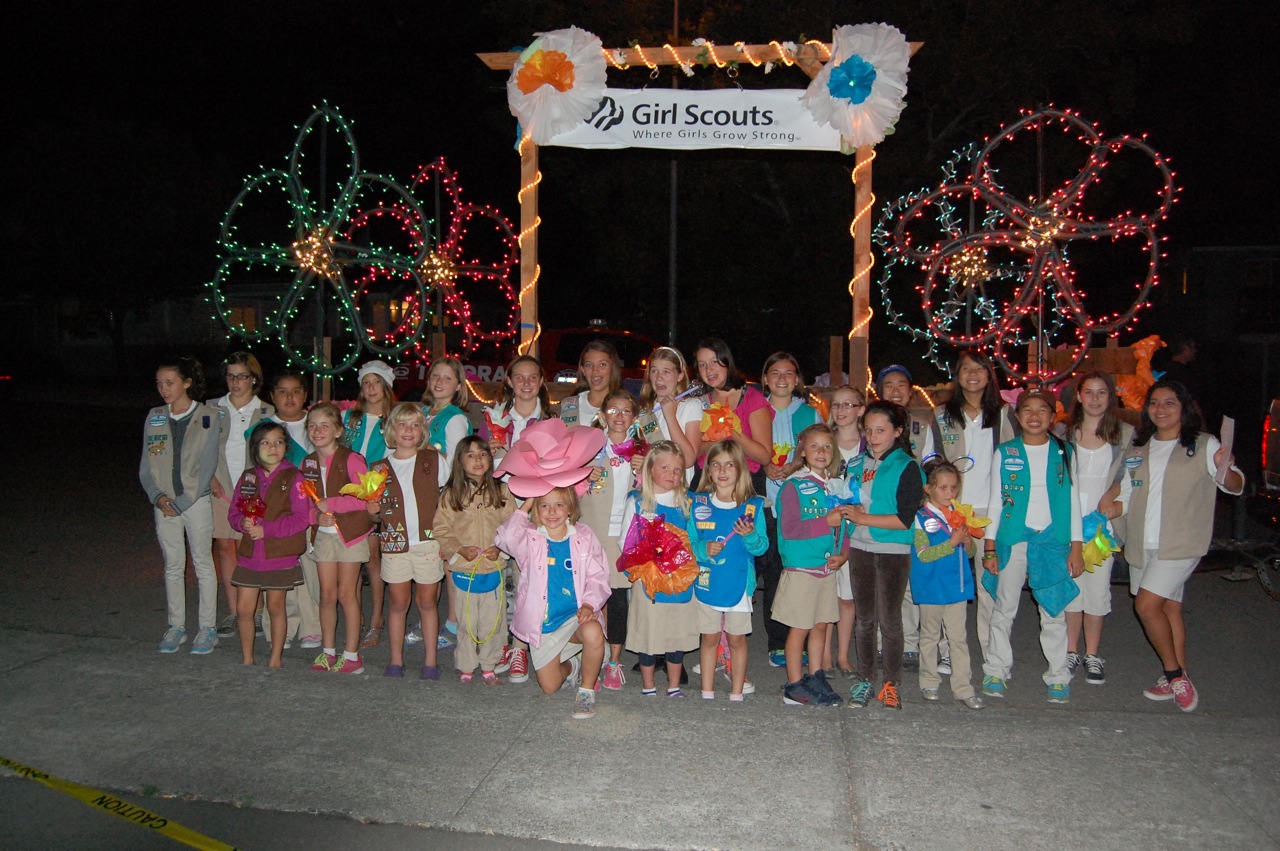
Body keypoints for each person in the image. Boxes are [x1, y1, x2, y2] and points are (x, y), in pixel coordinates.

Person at [1102, 379, 1243, 712]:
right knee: (1169, 608)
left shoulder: (1203, 444)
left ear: (1184, 408)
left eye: (1169, 402)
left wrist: (1226, 466)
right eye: (1154, 403)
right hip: (1142, 542)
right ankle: (1181, 676)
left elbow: (1234, 485)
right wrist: (1109, 508)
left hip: (1181, 542)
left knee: (1146, 606)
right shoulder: (1139, 449)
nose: (1160, 409)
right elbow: (1127, 494)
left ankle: (1174, 674)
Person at [980, 389, 1083, 704]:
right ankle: (996, 670)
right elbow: (995, 502)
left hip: (1053, 540)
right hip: (1014, 538)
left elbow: (1073, 501)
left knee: (1053, 610)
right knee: (1004, 608)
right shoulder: (1005, 452)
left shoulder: (1065, 451)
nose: (1034, 416)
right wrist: (989, 548)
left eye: (1042, 410)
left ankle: (1058, 676)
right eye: (1027, 409)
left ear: (1052, 416)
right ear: (1017, 415)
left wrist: (1076, 546)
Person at [930, 351, 1018, 671]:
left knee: (990, 585)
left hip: (991, 512)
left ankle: (993, 652)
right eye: (965, 368)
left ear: (989, 375)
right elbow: (930, 458)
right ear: (957, 375)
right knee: (949, 581)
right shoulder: (942, 414)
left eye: (979, 368)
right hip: (952, 510)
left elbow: (1016, 460)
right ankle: (947, 649)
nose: (972, 374)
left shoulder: (1004, 414)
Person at [495, 487, 610, 719]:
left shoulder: (584, 535)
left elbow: (598, 576)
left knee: (593, 631)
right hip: (545, 624)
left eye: (559, 505)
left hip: (575, 617)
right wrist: (528, 502)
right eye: (544, 505)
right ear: (536, 510)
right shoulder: (530, 537)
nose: (552, 512)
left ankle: (586, 691)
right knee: (550, 687)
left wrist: (589, 604)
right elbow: (504, 538)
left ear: (571, 509)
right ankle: (574, 665)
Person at [840, 401, 925, 710]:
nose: (873, 437)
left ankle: (891, 683)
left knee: (889, 620)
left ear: (897, 431)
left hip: (893, 551)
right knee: (864, 619)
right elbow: (845, 501)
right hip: (859, 548)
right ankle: (865, 679)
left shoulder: (907, 466)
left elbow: (904, 519)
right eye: (869, 431)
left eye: (881, 431)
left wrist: (864, 518)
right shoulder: (854, 464)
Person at [475, 354, 553, 682]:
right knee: (495, 578)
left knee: (526, 581)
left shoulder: (550, 420)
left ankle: (520, 648)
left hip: (532, 508)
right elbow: (473, 466)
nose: (525, 383)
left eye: (532, 377)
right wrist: (488, 453)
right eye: (519, 377)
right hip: (496, 505)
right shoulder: (493, 418)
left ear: (541, 381)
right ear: (508, 381)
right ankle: (497, 646)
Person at [140, 357, 220, 655]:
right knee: (173, 564)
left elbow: (207, 465)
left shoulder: (208, 416)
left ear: (186, 383)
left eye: (170, 383)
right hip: (164, 503)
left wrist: (183, 501)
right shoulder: (155, 416)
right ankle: (176, 626)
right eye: (159, 383)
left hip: (194, 502)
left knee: (202, 563)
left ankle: (207, 628)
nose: (164, 389)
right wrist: (158, 497)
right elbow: (147, 466)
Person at [1064, 371, 1133, 685]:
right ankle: (1070, 651)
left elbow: (1128, 477)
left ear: (1110, 396)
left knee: (1097, 590)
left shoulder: (1126, 434)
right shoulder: (1062, 433)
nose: (1094, 398)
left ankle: (1092, 654)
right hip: (1069, 524)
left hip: (1102, 527)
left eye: (1101, 392)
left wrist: (1112, 495)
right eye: (1088, 392)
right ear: (1079, 396)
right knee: (1071, 588)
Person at [367, 403, 443, 680]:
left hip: (427, 543)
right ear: (391, 430)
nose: (408, 430)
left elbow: (449, 496)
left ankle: (431, 662)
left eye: (414, 425)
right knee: (399, 603)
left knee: (427, 602)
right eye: (402, 424)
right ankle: (396, 660)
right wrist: (372, 512)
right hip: (394, 545)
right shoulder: (378, 469)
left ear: (423, 431)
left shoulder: (434, 460)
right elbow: (375, 517)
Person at [688, 440, 768, 701]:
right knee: (709, 638)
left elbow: (761, 548)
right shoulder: (698, 504)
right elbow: (689, 542)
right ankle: (707, 692)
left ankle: (736, 692)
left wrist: (750, 535)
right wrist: (703, 549)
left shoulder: (753, 506)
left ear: (740, 469)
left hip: (739, 585)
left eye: (729, 465)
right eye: (716, 465)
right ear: (708, 470)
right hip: (707, 583)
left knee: (736, 640)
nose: (722, 471)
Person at [434, 436, 516, 684]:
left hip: (493, 567)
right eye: (470, 455)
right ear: (460, 461)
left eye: (483, 454)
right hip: (464, 568)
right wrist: (459, 549)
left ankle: (489, 664)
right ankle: (466, 665)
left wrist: (500, 548)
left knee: (493, 621)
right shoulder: (451, 494)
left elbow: (513, 526)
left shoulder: (502, 491)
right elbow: (441, 529)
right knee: (466, 621)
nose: (478, 459)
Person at [774, 424, 846, 707]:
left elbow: (846, 526)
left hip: (826, 567)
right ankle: (793, 684)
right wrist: (825, 522)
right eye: (814, 446)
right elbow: (790, 529)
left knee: (821, 625)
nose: (821, 452)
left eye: (827, 446)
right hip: (802, 568)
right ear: (802, 451)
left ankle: (816, 676)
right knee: (800, 628)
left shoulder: (836, 486)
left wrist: (844, 553)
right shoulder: (793, 486)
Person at [227, 421, 309, 667]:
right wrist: (242, 523)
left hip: (279, 555)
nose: (273, 448)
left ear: (286, 446)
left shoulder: (294, 477)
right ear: (255, 447)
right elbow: (233, 514)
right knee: (244, 609)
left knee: (275, 607)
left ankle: (275, 658)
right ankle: (247, 657)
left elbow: (302, 518)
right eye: (265, 442)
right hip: (250, 556)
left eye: (279, 442)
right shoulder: (248, 477)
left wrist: (267, 530)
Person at [619, 441, 698, 697]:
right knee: (648, 633)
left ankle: (673, 685)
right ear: (650, 468)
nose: (672, 474)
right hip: (648, 580)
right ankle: (648, 685)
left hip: (679, 579)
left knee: (676, 633)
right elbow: (625, 542)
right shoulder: (638, 502)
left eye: (677, 470)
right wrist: (647, 560)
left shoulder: (687, 502)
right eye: (665, 468)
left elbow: (694, 540)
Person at [578, 390, 645, 691]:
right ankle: (590, 656)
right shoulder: (589, 448)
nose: (619, 416)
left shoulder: (642, 451)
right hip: (592, 533)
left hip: (624, 536)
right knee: (589, 598)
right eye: (613, 410)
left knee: (618, 600)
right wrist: (583, 478)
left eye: (626, 410)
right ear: (603, 415)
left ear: (634, 417)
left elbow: (653, 493)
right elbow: (568, 490)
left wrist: (644, 473)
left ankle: (614, 661)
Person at [303, 402, 376, 674]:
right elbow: (304, 503)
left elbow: (367, 497)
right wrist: (315, 517)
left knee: (347, 593)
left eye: (325, 425)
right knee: (326, 594)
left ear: (337, 431)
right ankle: (328, 651)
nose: (317, 430)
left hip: (351, 535)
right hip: (324, 536)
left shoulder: (352, 458)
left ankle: (352, 654)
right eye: (312, 425)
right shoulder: (308, 463)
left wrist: (332, 503)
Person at [759, 352, 820, 670]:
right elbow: (745, 449)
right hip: (766, 506)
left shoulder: (810, 413)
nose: (781, 378)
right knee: (773, 576)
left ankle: (802, 641)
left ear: (797, 379)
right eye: (775, 372)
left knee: (800, 576)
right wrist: (765, 465)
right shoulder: (757, 409)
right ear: (765, 378)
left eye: (788, 373)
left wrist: (795, 464)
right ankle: (777, 642)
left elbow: (821, 451)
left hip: (802, 508)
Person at [876, 364, 938, 675]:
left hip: (914, 510)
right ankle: (880, 643)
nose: (895, 390)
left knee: (910, 579)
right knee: (881, 579)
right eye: (889, 385)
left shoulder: (922, 426)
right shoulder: (872, 425)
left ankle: (910, 642)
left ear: (911, 391)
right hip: (880, 510)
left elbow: (932, 464)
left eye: (902, 384)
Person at [210, 352, 274, 639]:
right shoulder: (211, 409)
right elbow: (201, 449)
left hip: (252, 489)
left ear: (254, 379)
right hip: (220, 487)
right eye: (231, 376)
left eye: (242, 376)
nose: (236, 382)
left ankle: (256, 611)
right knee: (226, 548)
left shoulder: (267, 411)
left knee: (249, 548)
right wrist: (210, 478)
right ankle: (235, 611)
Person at [911, 459, 983, 709]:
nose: (949, 493)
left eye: (953, 488)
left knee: (958, 638)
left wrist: (967, 542)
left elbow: (970, 553)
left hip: (956, 586)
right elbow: (923, 554)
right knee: (929, 636)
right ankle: (929, 681)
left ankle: (963, 687)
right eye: (943, 488)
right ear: (928, 488)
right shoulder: (920, 518)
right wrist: (951, 543)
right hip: (931, 586)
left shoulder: (960, 515)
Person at [258, 372, 321, 650]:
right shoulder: (263, 430)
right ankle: (281, 627)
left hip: (308, 509)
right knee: (278, 569)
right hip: (275, 513)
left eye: (296, 391)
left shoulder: (315, 424)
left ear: (305, 395)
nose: (290, 397)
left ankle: (311, 626)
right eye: (282, 392)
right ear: (272, 396)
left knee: (309, 570)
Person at [421, 357, 475, 650]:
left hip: (443, 494)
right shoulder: (422, 412)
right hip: (420, 493)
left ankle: (454, 621)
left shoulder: (455, 418)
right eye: (435, 376)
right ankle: (431, 618)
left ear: (457, 386)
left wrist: (424, 444)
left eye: (447, 378)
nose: (439, 382)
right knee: (430, 559)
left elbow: (457, 462)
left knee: (449, 557)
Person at [344, 360, 395, 650]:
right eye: (366, 382)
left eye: (377, 382)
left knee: (373, 559)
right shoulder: (350, 418)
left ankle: (376, 618)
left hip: (377, 493)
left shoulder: (393, 419)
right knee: (351, 558)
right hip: (349, 494)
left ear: (386, 386)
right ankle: (357, 616)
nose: (371, 388)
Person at [692, 339, 773, 486]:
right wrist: (717, 434)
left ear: (727, 362)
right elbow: (693, 452)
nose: (708, 370)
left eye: (714, 362)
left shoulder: (752, 399)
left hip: (745, 480)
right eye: (702, 365)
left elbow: (764, 457)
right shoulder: (698, 402)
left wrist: (732, 431)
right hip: (708, 480)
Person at [827, 385, 866, 677]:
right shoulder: (824, 441)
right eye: (836, 405)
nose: (841, 410)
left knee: (847, 596)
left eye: (848, 405)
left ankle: (843, 655)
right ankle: (824, 655)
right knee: (825, 593)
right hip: (827, 526)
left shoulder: (870, 444)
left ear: (860, 410)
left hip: (858, 526)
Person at [636, 346, 702, 479]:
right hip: (648, 484)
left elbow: (688, 460)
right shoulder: (643, 411)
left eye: (666, 372)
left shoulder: (691, 405)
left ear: (680, 375)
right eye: (654, 371)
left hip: (677, 486)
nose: (659, 378)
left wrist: (670, 416)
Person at [558, 340, 622, 428]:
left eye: (602, 364)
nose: (595, 370)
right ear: (583, 370)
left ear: (613, 368)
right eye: (589, 365)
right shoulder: (569, 405)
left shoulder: (624, 406)